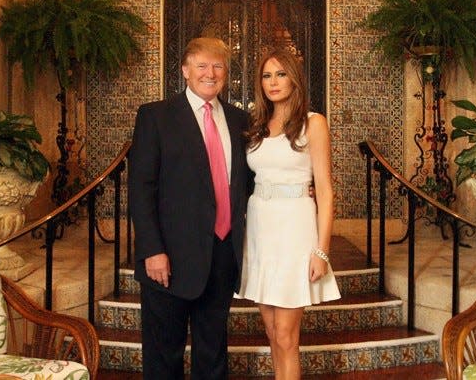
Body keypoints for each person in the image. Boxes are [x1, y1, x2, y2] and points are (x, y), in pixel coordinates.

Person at [128, 37, 251, 379]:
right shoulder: (156, 116)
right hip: (168, 259)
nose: (210, 73)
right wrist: (152, 250)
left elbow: (250, 184)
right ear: (185, 71)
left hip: (222, 255)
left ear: (227, 73)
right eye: (201, 65)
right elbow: (141, 189)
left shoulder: (241, 121)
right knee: (163, 356)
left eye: (218, 66)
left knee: (212, 354)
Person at [236, 47, 341, 379]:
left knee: (286, 335)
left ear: (295, 79)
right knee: (271, 333)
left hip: (295, 227)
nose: (273, 82)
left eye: (281, 74)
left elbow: (325, 190)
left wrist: (321, 251)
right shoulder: (255, 124)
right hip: (259, 228)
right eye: (267, 75)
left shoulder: (314, 122)